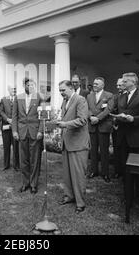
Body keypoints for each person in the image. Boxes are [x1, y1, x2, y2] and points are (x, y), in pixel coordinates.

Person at [112, 72, 139, 208]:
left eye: (125, 82)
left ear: (133, 82)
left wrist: (134, 119)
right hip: (123, 138)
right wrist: (116, 119)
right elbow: (117, 111)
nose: (122, 84)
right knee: (125, 170)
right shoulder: (121, 96)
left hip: (138, 139)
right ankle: (128, 196)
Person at [56, 80, 90, 214]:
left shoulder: (80, 100)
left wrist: (65, 124)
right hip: (67, 142)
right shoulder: (65, 101)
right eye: (60, 91)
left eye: (63, 90)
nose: (61, 93)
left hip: (78, 144)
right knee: (68, 174)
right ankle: (69, 196)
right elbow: (64, 118)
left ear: (71, 88)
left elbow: (82, 120)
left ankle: (80, 203)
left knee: (78, 175)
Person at [12, 78, 43, 194]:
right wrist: (15, 131)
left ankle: (34, 184)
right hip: (22, 132)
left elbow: (43, 117)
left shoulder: (40, 97)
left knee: (35, 159)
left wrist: (40, 131)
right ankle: (25, 183)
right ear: (24, 86)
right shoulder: (18, 97)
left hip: (35, 132)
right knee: (23, 159)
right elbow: (14, 116)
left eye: (32, 85)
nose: (30, 87)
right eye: (28, 85)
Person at [86, 77, 114, 182]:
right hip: (92, 126)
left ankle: (105, 173)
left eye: (97, 84)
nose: (94, 85)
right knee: (93, 150)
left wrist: (97, 118)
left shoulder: (109, 95)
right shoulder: (89, 96)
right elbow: (87, 108)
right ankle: (94, 171)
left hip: (103, 126)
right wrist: (90, 117)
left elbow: (109, 109)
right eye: (94, 83)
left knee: (104, 151)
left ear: (103, 85)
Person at [0, 86, 20, 171]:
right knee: (6, 146)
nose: (14, 91)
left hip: (15, 128)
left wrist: (14, 120)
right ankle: (6, 165)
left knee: (16, 147)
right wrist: (7, 119)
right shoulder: (3, 99)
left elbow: (21, 112)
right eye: (12, 89)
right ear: (8, 90)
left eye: (15, 89)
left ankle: (16, 165)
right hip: (6, 126)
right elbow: (1, 111)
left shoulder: (19, 99)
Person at [112, 78, 126, 178]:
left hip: (127, 128)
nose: (118, 87)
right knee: (117, 149)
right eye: (117, 85)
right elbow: (113, 110)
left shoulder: (133, 96)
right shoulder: (116, 96)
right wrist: (114, 123)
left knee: (126, 151)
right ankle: (118, 171)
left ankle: (126, 172)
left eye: (119, 85)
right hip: (116, 128)